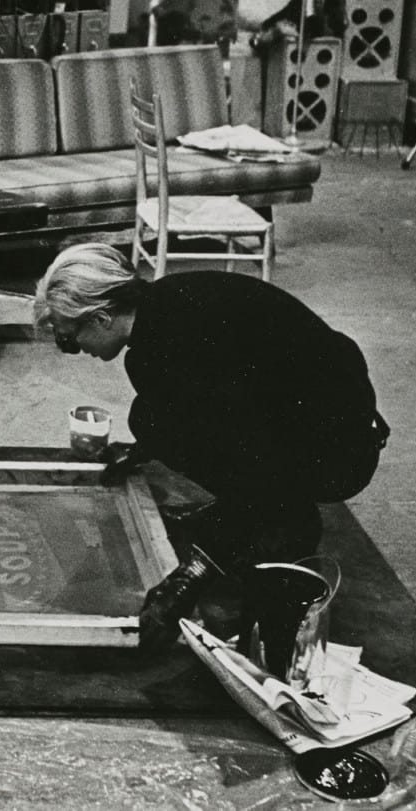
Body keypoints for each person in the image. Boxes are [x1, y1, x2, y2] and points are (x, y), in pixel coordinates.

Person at [33, 244, 390, 653]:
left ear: (101, 317)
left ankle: (290, 522)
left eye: (68, 337)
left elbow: (254, 457)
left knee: (172, 427)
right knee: (152, 419)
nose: (75, 350)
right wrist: (144, 449)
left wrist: (194, 572)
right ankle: (267, 514)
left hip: (340, 452)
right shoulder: (168, 304)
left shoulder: (169, 350)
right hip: (330, 416)